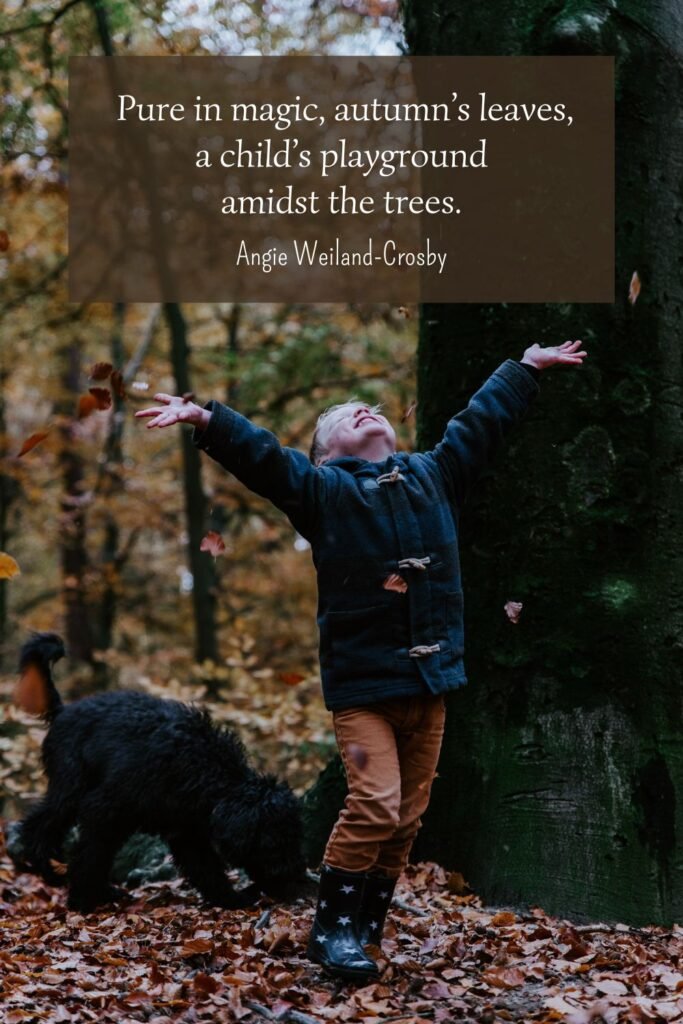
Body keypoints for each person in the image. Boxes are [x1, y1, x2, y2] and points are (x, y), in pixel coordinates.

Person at [136, 339, 587, 982]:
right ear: (325, 455)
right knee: (374, 805)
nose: (366, 413)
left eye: (371, 409)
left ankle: (364, 930)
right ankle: (330, 930)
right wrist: (208, 420)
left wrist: (522, 367)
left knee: (405, 822)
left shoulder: (433, 474)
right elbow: (265, 460)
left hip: (429, 685)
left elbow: (478, 423)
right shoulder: (323, 494)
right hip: (365, 692)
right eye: (345, 417)